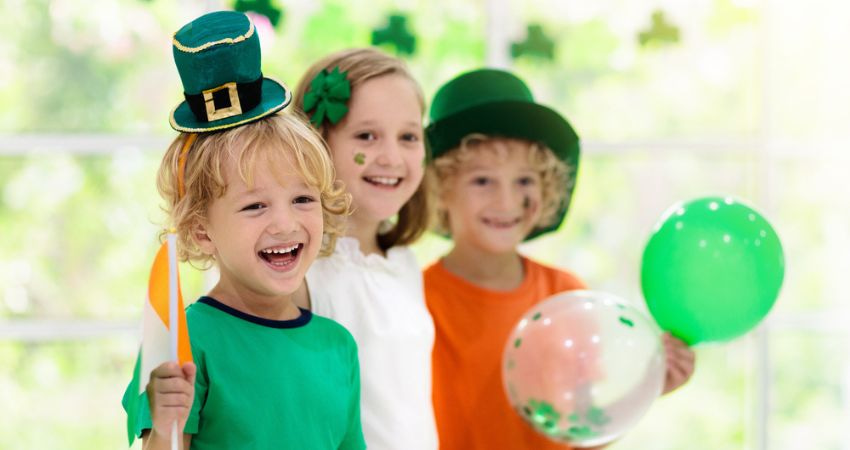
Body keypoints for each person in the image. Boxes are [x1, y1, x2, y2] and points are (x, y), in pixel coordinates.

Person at [121, 11, 364, 450]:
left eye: (303, 199)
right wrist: (163, 426)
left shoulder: (338, 347)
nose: (286, 223)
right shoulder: (185, 340)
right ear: (201, 231)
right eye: (255, 205)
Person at [423, 68, 696, 450]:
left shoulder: (565, 296)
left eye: (524, 181)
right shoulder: (416, 299)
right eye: (482, 181)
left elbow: (581, 431)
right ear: (439, 189)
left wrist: (646, 390)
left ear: (547, 188)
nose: (507, 202)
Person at [291, 48, 438, 450]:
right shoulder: (301, 269)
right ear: (318, 144)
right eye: (366, 136)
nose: (391, 157)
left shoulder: (404, 266)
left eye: (409, 137)